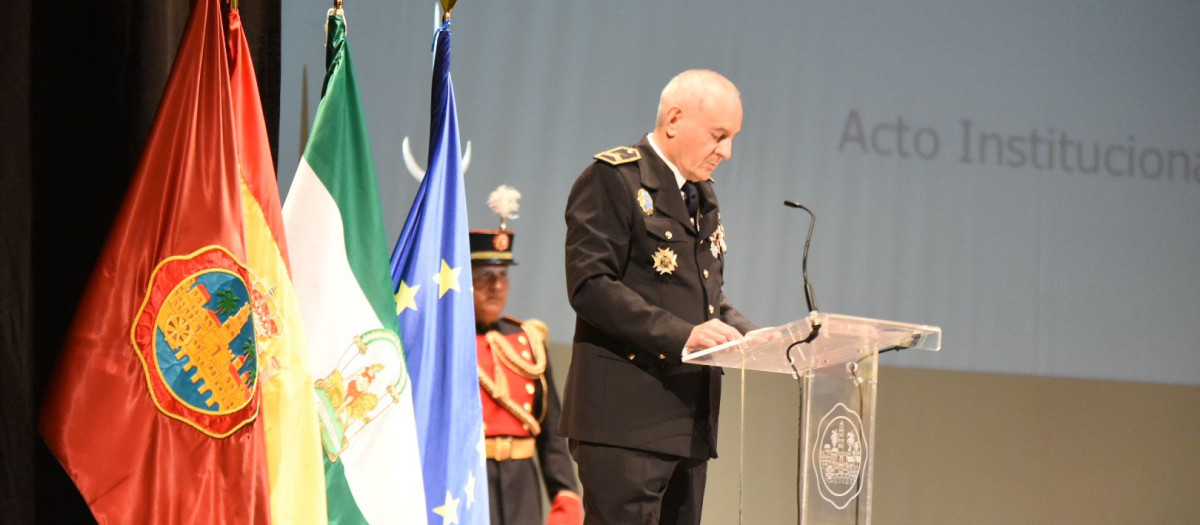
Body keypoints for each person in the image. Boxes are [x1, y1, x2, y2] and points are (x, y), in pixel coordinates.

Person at [560, 69, 757, 524]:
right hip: (624, 422)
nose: (726, 152)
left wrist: (757, 336)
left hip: (688, 420)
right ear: (673, 120)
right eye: (719, 136)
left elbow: (707, 296)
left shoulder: (702, 196)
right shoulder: (613, 179)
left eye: (732, 138)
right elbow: (590, 285)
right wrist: (685, 337)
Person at [472, 185, 583, 525]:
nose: (497, 286)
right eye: (486, 277)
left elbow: (551, 434)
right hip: (468, 484)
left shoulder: (528, 340)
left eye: (503, 276)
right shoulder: (450, 345)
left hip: (522, 484)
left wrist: (566, 496)